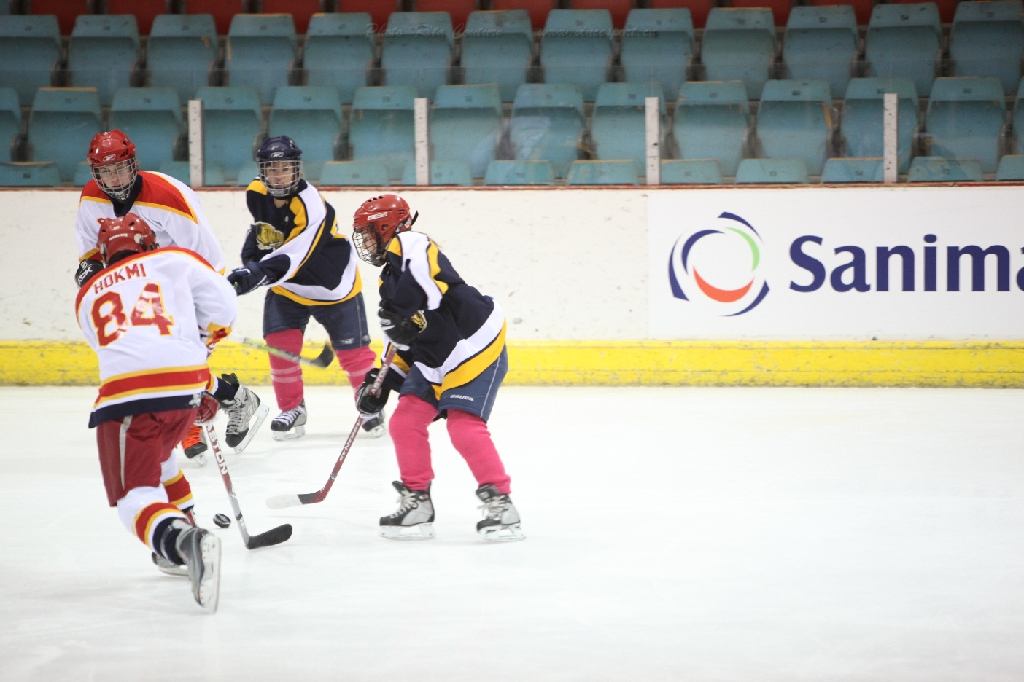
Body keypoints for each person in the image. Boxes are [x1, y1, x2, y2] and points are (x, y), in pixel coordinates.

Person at [73, 130, 267, 460]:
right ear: (95, 173)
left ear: (133, 164)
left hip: (179, 282)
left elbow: (209, 262)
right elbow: (92, 252)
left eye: (119, 168)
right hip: (134, 286)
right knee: (153, 359)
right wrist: (90, 272)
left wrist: (194, 306)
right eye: (105, 171)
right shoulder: (91, 198)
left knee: (178, 360)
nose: (114, 178)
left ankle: (195, 422)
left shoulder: (168, 198)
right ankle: (235, 398)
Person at [75, 213, 232, 611]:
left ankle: (183, 541)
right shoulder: (175, 259)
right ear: (149, 241)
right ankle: (183, 528)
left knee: (135, 498)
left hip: (130, 398)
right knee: (162, 462)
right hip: (185, 387)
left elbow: (116, 346)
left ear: (103, 253)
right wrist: (198, 348)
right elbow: (223, 308)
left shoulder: (87, 293)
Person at [351, 194, 524, 542]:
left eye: (368, 234)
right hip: (435, 359)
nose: (366, 244)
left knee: (463, 426)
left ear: (386, 227)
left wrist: (402, 313)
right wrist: (381, 382)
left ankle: (502, 505)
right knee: (404, 421)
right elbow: (403, 340)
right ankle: (418, 502)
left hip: (474, 346)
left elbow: (425, 291)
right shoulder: (389, 279)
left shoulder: (412, 243)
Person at [227, 136, 381, 440]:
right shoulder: (256, 192)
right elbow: (262, 231)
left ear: (297, 169)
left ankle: (370, 407)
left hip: (332, 287)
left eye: (285, 168)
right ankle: (292, 409)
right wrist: (250, 262)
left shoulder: (311, 206)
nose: (279, 175)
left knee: (353, 355)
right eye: (272, 169)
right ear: (262, 171)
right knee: (280, 347)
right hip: (287, 288)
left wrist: (254, 275)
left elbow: (295, 256)